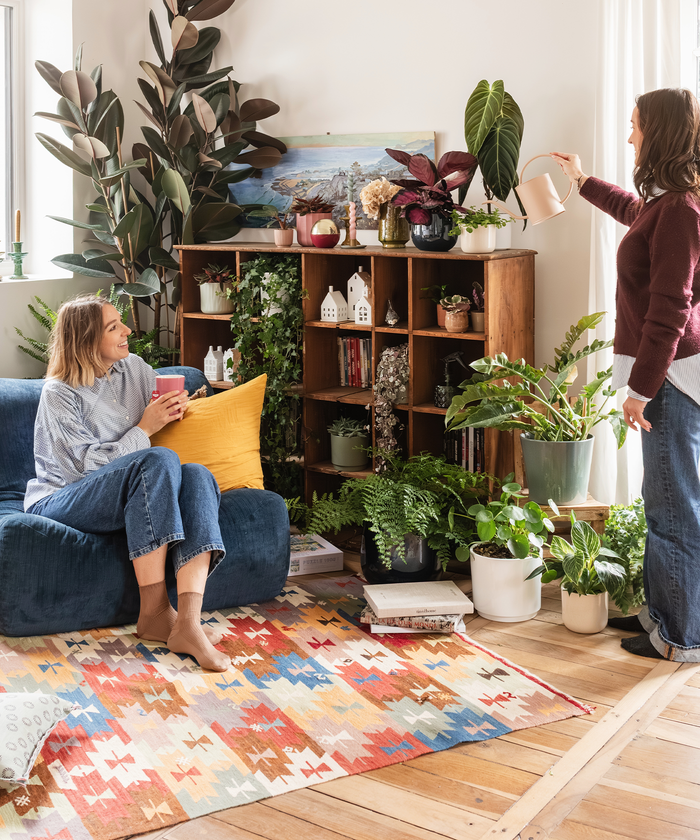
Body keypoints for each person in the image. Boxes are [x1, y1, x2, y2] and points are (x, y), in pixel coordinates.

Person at [551, 87, 700, 661]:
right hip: (669, 379)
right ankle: (668, 617)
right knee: (667, 501)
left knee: (673, 508)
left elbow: (670, 310)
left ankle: (682, 636)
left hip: (672, 383)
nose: (629, 135)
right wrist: (584, 182)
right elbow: (635, 216)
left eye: (635, 126)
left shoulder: (683, 210)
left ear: (657, 133)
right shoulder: (668, 206)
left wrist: (641, 390)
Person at [25, 294, 231, 672]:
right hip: (62, 497)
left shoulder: (134, 368)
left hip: (125, 492)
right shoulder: (60, 394)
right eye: (113, 326)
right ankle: (153, 613)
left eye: (121, 322)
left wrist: (176, 408)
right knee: (159, 458)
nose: (127, 330)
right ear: (86, 340)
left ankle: (187, 620)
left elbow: (160, 413)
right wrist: (145, 429)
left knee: (197, 475)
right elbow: (82, 473)